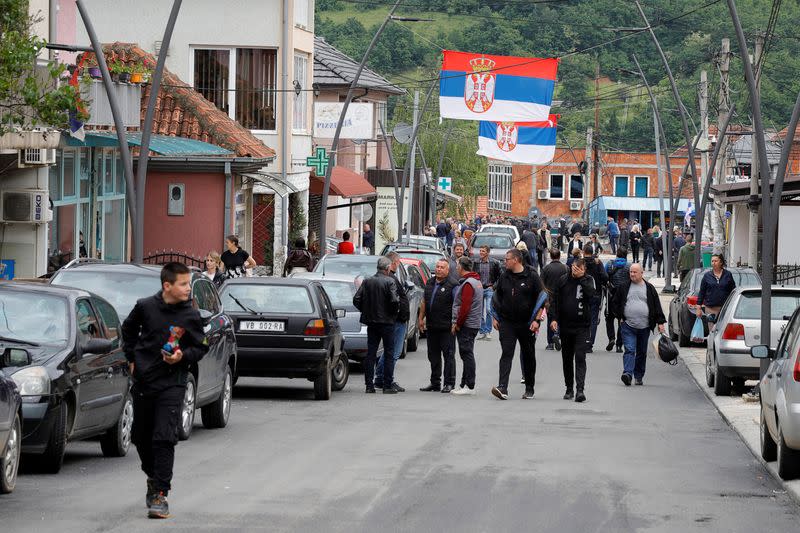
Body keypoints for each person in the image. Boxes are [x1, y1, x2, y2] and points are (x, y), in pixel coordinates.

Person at [121, 262, 209, 519]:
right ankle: (152, 476)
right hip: (145, 380)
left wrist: (182, 356)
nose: (188, 288)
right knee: (140, 436)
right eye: (183, 283)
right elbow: (128, 330)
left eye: (188, 283)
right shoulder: (145, 307)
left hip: (173, 381)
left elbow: (201, 346)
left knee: (164, 436)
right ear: (167, 285)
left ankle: (160, 494)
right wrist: (131, 358)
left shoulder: (190, 315)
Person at [490, 248, 546, 400]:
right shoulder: (504, 276)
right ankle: (503, 387)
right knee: (506, 353)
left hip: (527, 323)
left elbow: (542, 300)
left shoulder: (532, 276)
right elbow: (497, 297)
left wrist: (537, 321)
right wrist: (495, 317)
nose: (504, 261)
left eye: (507, 259)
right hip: (507, 322)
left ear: (516, 260)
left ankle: (529, 388)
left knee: (528, 355)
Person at [610, 263, 667, 386]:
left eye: (635, 272)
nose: (632, 274)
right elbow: (615, 303)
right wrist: (620, 316)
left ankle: (639, 375)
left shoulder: (649, 288)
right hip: (628, 325)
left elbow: (656, 306)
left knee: (641, 352)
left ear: (642, 273)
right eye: (631, 272)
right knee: (630, 349)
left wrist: (660, 322)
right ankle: (628, 374)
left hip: (644, 326)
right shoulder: (624, 287)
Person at [549, 258, 596, 402]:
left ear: (584, 269)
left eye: (578, 268)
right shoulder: (563, 280)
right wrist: (554, 318)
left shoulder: (588, 280)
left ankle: (580, 390)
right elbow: (555, 300)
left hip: (582, 326)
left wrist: (581, 278)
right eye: (573, 267)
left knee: (580, 357)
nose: (575, 270)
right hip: (565, 325)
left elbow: (591, 295)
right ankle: (569, 388)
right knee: (567, 358)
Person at [353, 257, 399, 393]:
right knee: (389, 352)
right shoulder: (390, 281)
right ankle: (387, 385)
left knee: (371, 353)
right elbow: (394, 301)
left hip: (371, 321)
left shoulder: (367, 281)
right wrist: (392, 314)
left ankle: (369, 385)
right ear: (387, 268)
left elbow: (356, 299)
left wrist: (366, 310)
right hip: (387, 322)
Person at [418, 259, 457, 393]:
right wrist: (420, 318)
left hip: (447, 327)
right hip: (432, 326)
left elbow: (458, 305)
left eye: (442, 267)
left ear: (447, 270)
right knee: (433, 356)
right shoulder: (430, 282)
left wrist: (455, 322)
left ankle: (449, 383)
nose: (439, 269)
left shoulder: (453, 284)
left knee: (448, 356)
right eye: (437, 267)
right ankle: (435, 383)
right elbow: (424, 301)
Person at [374, 252, 410, 392]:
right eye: (398, 262)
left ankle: (381, 378)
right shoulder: (391, 279)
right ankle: (384, 379)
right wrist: (398, 314)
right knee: (393, 352)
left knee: (390, 351)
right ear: (394, 263)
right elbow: (394, 301)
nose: (398, 264)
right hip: (396, 320)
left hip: (394, 319)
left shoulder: (389, 277)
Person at [451, 256, 483, 396]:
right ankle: (464, 384)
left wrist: (457, 324)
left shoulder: (469, 284)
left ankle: (470, 385)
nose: (456, 268)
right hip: (472, 323)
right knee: (466, 353)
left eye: (457, 265)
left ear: (461, 267)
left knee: (466, 354)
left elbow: (465, 307)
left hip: (467, 324)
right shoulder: (475, 281)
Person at [540, 248, 569, 351]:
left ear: (551, 256)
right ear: (559, 256)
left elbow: (541, 284)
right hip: (563, 297)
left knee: (551, 319)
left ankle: (551, 342)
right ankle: (558, 334)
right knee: (561, 318)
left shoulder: (546, 268)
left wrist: (544, 299)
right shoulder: (565, 268)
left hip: (550, 297)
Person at [583, 244, 608, 352]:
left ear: (583, 251)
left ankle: (582, 341)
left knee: (582, 319)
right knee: (593, 319)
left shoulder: (581, 263)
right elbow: (605, 277)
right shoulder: (597, 263)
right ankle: (590, 342)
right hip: (596, 293)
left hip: (583, 294)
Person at [604, 247, 630, 353]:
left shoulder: (609, 265)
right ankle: (619, 345)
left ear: (617, 255)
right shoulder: (629, 266)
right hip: (624, 298)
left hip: (611, 296)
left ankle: (611, 338)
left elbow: (604, 278)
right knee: (622, 321)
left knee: (609, 319)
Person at [697, 254, 736, 322]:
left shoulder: (728, 274)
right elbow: (702, 292)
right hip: (710, 308)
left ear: (721, 262)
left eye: (716, 261)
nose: (713, 263)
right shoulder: (707, 276)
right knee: (712, 329)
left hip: (725, 308)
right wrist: (698, 308)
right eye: (712, 261)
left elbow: (733, 290)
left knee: (723, 330)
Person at [476, 245, 501, 340]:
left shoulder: (494, 263)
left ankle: (488, 331)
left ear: (488, 252)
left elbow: (500, 276)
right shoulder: (476, 262)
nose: (481, 252)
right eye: (480, 250)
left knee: (489, 310)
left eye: (483, 251)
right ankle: (482, 331)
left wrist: (493, 287)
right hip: (479, 289)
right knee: (479, 311)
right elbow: (473, 275)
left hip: (489, 289)